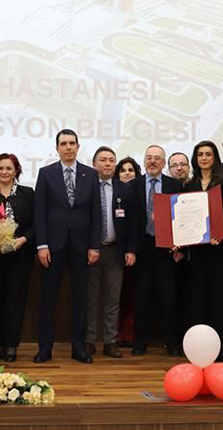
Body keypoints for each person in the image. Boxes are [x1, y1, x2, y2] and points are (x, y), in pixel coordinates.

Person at [33, 129, 101, 364]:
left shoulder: (91, 175)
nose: (68, 147)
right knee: (48, 298)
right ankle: (45, 348)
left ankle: (79, 347)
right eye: (64, 143)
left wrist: (95, 246)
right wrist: (42, 245)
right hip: (53, 246)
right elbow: (39, 212)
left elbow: (96, 213)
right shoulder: (46, 174)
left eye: (72, 143)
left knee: (80, 299)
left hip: (82, 248)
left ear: (78, 146)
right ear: (57, 148)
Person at [0, 153, 35, 363]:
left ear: (16, 171)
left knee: (15, 300)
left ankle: (12, 345)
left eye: (9, 168)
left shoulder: (28, 193)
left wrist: (23, 239)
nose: (4, 172)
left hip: (19, 256)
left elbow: (36, 223)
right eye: (1, 168)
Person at [183, 140, 223, 360]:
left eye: (208, 154)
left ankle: (222, 348)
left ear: (215, 158)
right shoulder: (189, 185)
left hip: (218, 250)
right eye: (200, 155)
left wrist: (220, 236)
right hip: (196, 252)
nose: (204, 158)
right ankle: (198, 348)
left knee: (218, 297)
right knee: (197, 298)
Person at [129, 145, 182, 356]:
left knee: (168, 296)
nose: (152, 161)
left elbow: (182, 218)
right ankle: (140, 341)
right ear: (143, 161)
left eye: (157, 158)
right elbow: (130, 222)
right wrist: (130, 249)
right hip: (141, 249)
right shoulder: (132, 186)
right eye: (149, 157)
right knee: (141, 296)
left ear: (163, 163)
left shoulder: (174, 185)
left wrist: (181, 247)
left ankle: (171, 341)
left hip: (167, 248)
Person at [85, 147, 135, 358]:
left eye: (111, 160)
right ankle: (88, 341)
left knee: (112, 299)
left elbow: (133, 222)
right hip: (91, 252)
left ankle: (110, 341)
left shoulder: (124, 189)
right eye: (103, 160)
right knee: (90, 298)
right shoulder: (86, 188)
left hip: (116, 251)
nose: (107, 164)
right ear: (94, 164)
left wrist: (131, 249)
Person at [114, 155, 142, 347]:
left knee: (134, 295)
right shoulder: (114, 193)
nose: (127, 173)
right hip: (116, 252)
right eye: (123, 170)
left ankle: (130, 333)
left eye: (130, 170)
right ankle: (117, 333)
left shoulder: (141, 192)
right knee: (118, 295)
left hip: (138, 251)